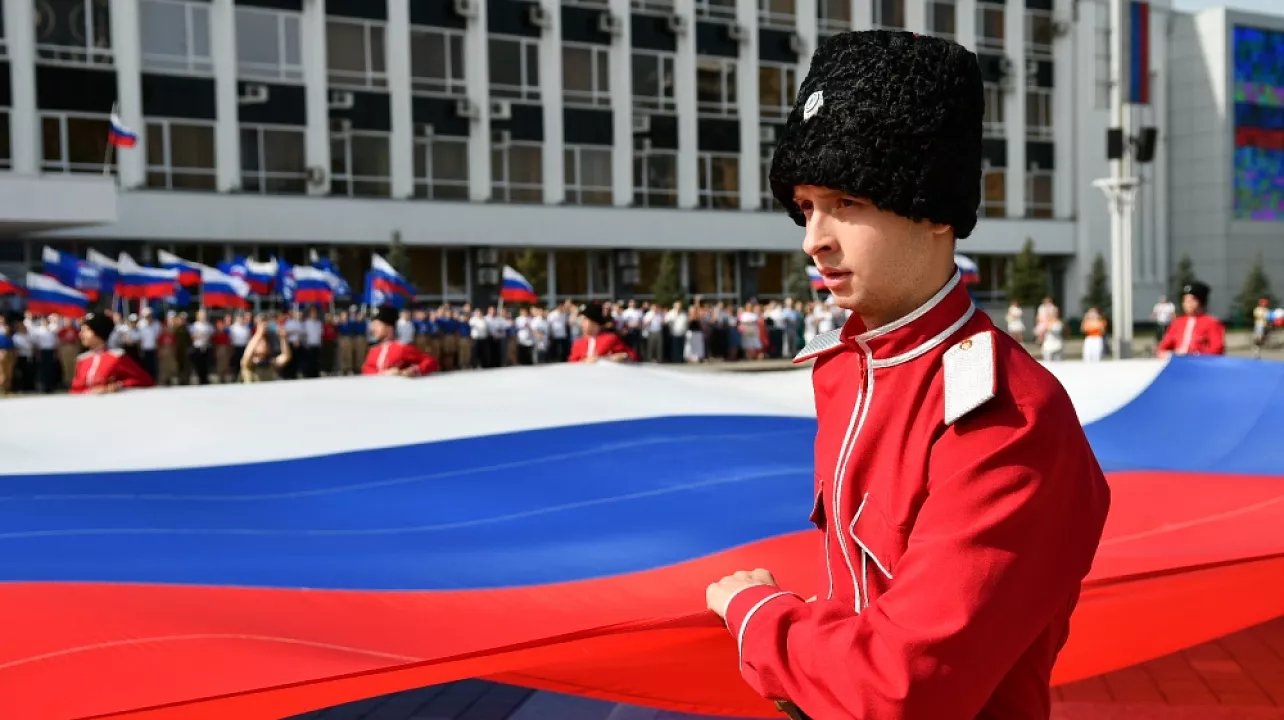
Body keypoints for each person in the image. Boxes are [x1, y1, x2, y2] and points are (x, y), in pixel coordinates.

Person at [702, 31, 1110, 720]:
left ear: (935, 213)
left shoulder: (1007, 416)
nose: (812, 239)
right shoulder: (851, 372)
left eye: (845, 203)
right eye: (806, 207)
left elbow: (903, 687)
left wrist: (757, 613)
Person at [69, 312, 155, 395]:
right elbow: (75, 390)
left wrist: (117, 386)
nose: (81, 334)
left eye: (86, 330)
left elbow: (144, 380)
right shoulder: (82, 360)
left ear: (98, 332)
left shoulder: (117, 357)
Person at [361, 305, 439, 377]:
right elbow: (366, 369)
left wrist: (412, 371)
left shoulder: (401, 348)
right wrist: (383, 373)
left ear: (389, 327)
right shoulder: (374, 350)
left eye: (377, 325)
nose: (373, 329)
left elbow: (431, 362)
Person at [1157, 281, 1226, 357]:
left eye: (1191, 300)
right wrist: (1167, 354)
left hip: (1199, 363)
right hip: (1178, 362)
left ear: (1201, 302)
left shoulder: (1211, 322)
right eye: (1185, 301)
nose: (1187, 304)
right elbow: (1164, 347)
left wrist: (1196, 356)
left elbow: (1217, 349)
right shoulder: (1177, 322)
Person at [567, 302, 637, 363]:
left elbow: (632, 355)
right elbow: (572, 365)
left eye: (585, 320)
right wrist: (585, 361)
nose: (582, 323)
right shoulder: (578, 343)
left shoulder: (610, 339)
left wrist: (623, 357)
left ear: (594, 322)